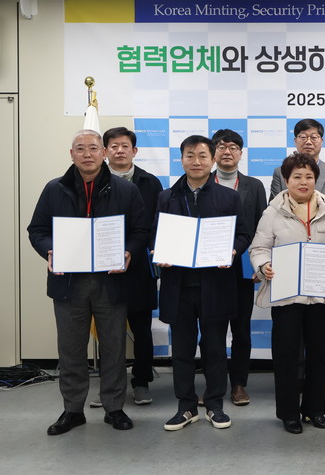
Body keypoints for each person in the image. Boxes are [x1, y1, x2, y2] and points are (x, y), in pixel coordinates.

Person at [28, 129, 150, 435]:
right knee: (70, 350)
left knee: (114, 348)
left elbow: (141, 230)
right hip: (69, 284)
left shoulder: (125, 190)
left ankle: (114, 408)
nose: (87, 154)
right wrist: (50, 251)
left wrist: (129, 252)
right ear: (71, 154)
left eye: (93, 148)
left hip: (111, 281)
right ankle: (72, 410)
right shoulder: (54, 189)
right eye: (80, 149)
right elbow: (37, 230)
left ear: (103, 153)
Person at [249, 153, 325, 434]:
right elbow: (258, 248)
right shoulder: (272, 212)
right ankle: (289, 413)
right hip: (286, 297)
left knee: (319, 354)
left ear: (315, 179)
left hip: (320, 296)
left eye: (308, 176)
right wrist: (264, 265)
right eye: (297, 176)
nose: (303, 182)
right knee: (286, 356)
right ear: (286, 180)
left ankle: (315, 410)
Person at [155, 135, 250, 431]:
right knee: (182, 351)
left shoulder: (229, 197)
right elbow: (156, 235)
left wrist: (232, 251)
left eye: (202, 156)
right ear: (181, 159)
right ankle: (185, 406)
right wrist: (159, 253)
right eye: (190, 155)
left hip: (216, 284)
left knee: (215, 350)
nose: (196, 161)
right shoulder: (166, 197)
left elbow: (243, 234)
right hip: (178, 285)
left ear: (212, 160)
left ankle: (214, 405)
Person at [269, 118, 325, 399]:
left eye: (314, 136)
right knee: (292, 327)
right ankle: (299, 378)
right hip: (289, 259)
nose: (309, 140)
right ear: (295, 140)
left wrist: (314, 215)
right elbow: (275, 207)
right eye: (303, 136)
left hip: (321, 257)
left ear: (322, 141)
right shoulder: (280, 171)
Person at [103, 127, 163, 406]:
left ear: (134, 151)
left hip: (139, 267)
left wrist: (139, 250)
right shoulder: (94, 181)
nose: (119, 150)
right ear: (106, 151)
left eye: (124, 146)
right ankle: (109, 386)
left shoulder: (150, 182)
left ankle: (141, 381)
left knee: (141, 329)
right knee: (108, 331)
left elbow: (158, 223)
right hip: (103, 267)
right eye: (113, 146)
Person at [210, 129, 267, 407]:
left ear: (241, 154)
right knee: (212, 330)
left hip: (243, 266)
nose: (227, 151)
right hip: (209, 268)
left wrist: (258, 264)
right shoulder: (201, 182)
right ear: (213, 153)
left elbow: (262, 228)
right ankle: (214, 384)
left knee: (241, 329)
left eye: (233, 147)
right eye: (221, 146)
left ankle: (239, 384)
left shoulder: (254, 186)